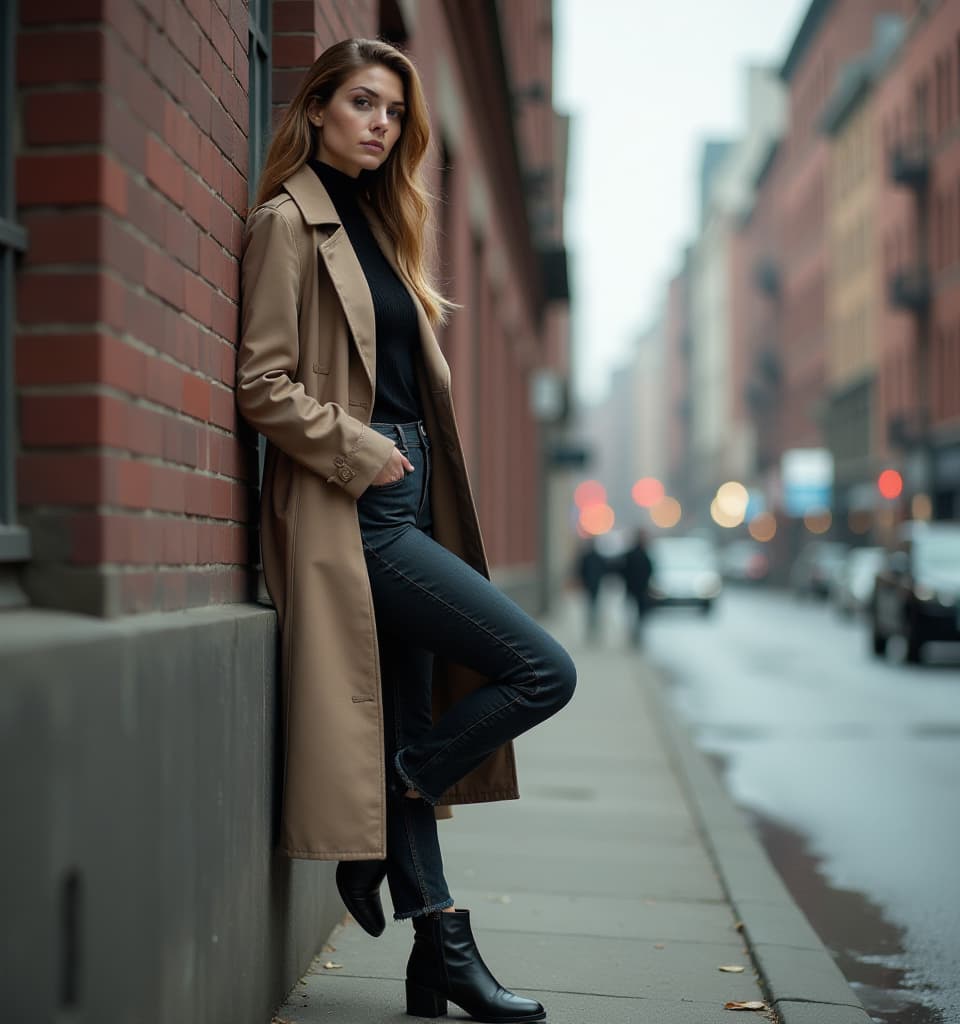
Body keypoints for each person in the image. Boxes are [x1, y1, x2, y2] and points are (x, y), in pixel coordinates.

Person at [237, 38, 576, 1023]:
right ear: (317, 110)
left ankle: (440, 951)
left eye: (393, 110)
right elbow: (261, 383)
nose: (381, 124)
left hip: (407, 492)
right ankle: (396, 799)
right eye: (362, 103)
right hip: (357, 508)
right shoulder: (287, 224)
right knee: (542, 668)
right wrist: (360, 450)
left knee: (416, 715)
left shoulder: (386, 229)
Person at [621, 529, 654, 647]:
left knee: (636, 613)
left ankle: (635, 634)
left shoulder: (637, 554)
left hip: (636, 588)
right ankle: (635, 634)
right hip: (637, 589)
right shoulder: (641, 554)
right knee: (636, 613)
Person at [575, 538, 607, 641]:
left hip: (591, 585)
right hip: (593, 585)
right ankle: (592, 626)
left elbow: (581, 570)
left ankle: (592, 626)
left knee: (592, 606)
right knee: (593, 606)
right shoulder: (595, 557)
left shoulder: (588, 557)